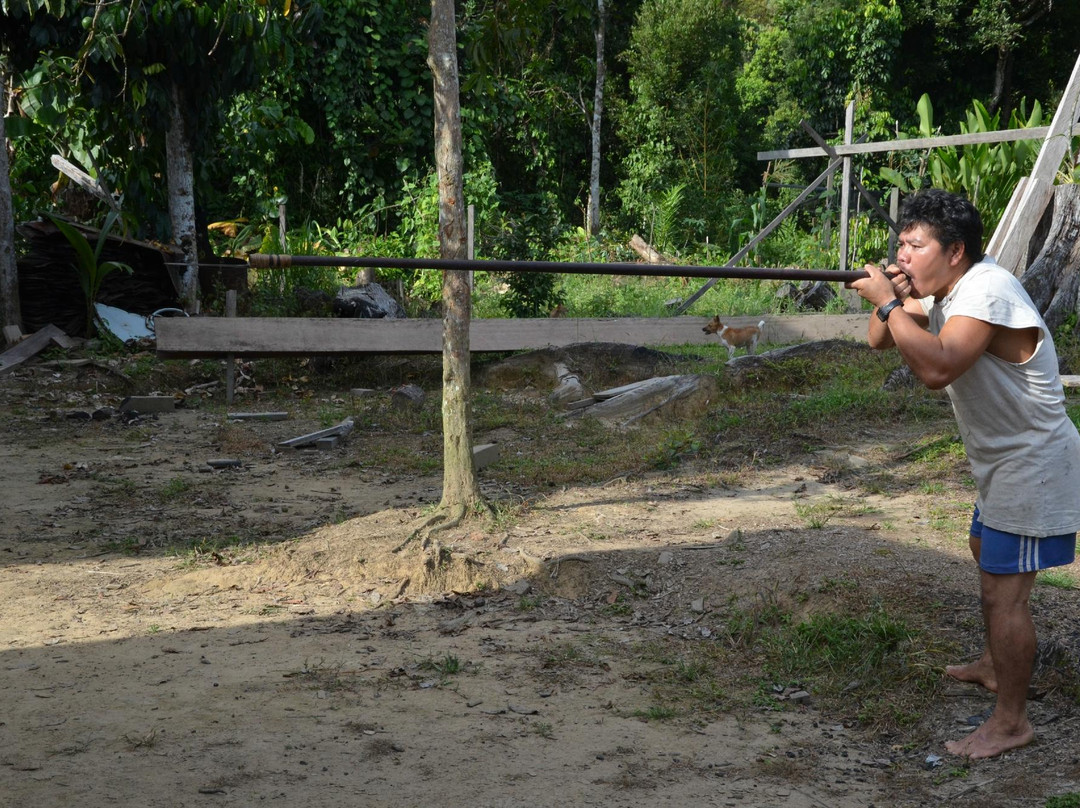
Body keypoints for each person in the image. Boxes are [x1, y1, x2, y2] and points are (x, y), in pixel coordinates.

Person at [848, 188, 1080, 760]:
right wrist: (892, 297)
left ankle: (1010, 722)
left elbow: (939, 367)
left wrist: (886, 302)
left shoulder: (986, 292)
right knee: (982, 549)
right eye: (900, 244)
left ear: (955, 251)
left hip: (1034, 463)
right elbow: (881, 341)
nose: (902, 255)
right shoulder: (945, 285)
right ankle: (994, 664)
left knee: (1006, 597)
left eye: (915, 246)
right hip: (1001, 461)